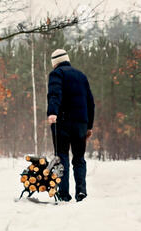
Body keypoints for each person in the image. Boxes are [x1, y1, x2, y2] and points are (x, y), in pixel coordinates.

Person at [47, 49, 95, 202]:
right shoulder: (81, 76)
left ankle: (63, 194)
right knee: (79, 158)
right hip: (81, 123)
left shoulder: (56, 74)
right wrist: (89, 125)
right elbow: (90, 103)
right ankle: (81, 191)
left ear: (55, 63)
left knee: (62, 157)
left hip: (62, 122)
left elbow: (55, 94)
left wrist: (52, 112)